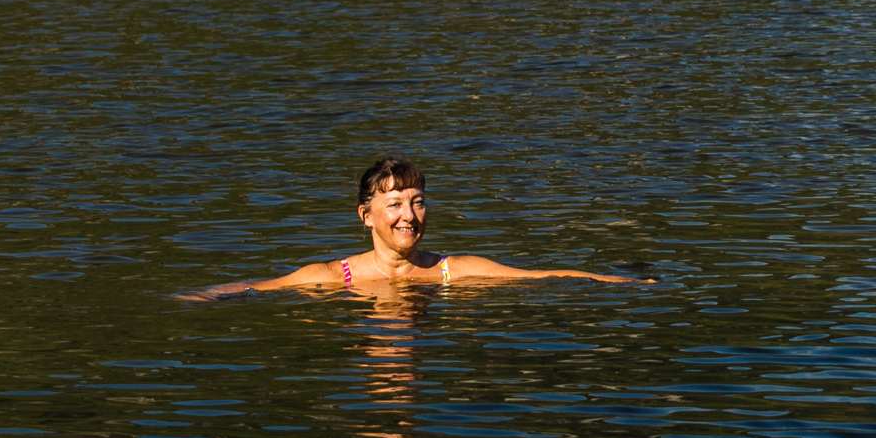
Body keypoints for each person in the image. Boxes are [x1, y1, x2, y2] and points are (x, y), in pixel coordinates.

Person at [189, 157, 648, 298]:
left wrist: (618, 281)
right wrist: (200, 294)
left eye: (418, 202)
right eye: (394, 204)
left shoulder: (455, 269)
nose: (409, 215)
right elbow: (255, 287)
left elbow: (539, 275)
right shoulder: (331, 277)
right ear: (366, 215)